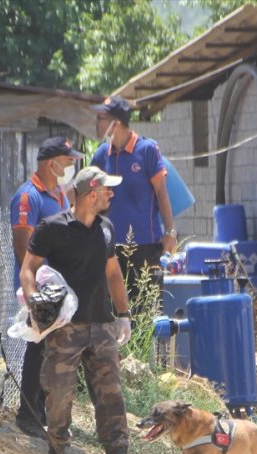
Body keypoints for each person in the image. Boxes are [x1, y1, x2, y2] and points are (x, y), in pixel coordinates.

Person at [20, 166, 155, 454]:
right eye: (107, 189)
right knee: (59, 396)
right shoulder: (52, 228)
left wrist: (123, 314)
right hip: (65, 331)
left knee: (111, 398)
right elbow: (28, 269)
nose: (111, 194)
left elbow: (113, 274)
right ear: (90, 192)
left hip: (102, 328)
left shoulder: (106, 229)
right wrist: (33, 303)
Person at [10, 137, 83, 438]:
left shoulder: (59, 195)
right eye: (67, 161)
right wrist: (37, 291)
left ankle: (40, 411)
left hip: (59, 287)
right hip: (41, 288)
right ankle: (27, 414)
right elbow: (22, 247)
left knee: (53, 351)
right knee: (37, 348)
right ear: (51, 162)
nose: (70, 165)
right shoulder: (28, 197)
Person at [90, 95, 176, 304]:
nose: (97, 123)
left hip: (145, 246)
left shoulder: (147, 150)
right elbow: (88, 193)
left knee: (145, 312)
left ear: (116, 123)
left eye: (102, 118)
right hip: (110, 248)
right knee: (113, 313)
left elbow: (162, 194)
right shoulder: (102, 154)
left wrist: (170, 232)